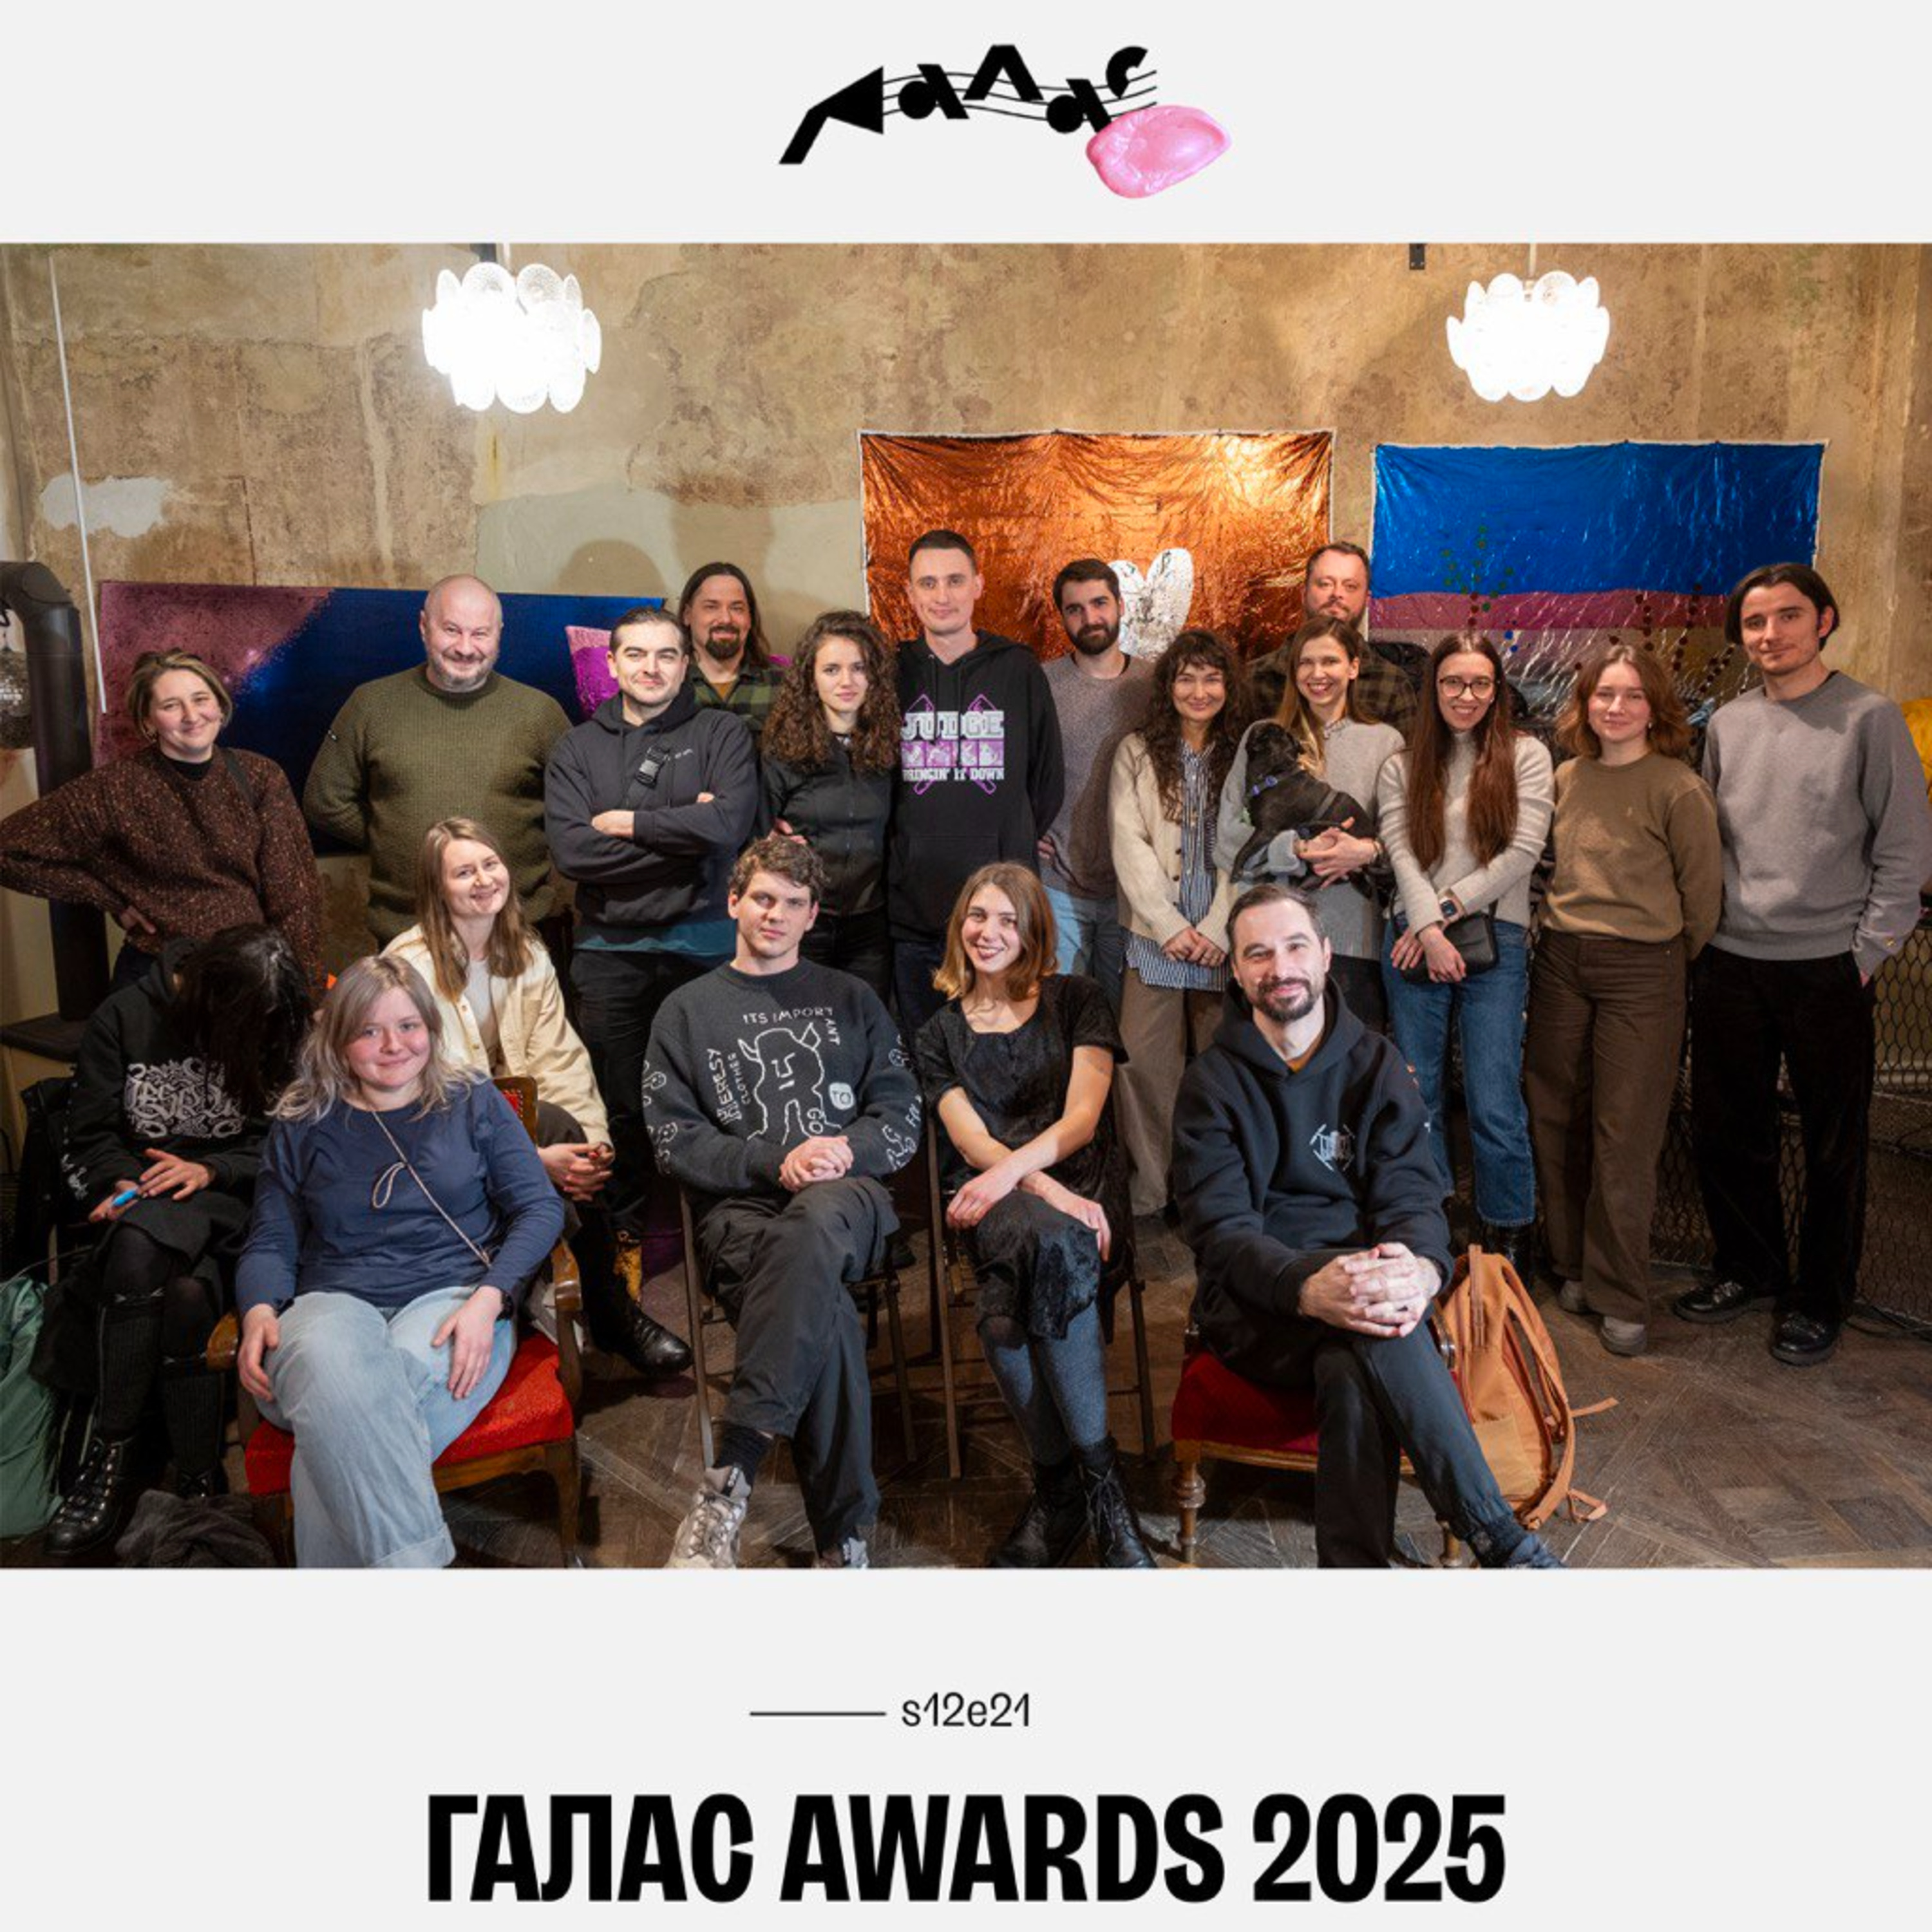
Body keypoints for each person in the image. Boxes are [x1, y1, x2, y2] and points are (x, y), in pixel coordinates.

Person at [1171, 884, 1561, 1569]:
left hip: (1371, 1289)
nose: (1280, 967)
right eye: (1258, 954)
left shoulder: (1376, 1063)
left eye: (1295, 947)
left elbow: (1414, 1194)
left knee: (1354, 1356)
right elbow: (1222, 1232)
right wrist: (1305, 1287)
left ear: (1326, 955)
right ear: (1235, 970)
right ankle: (1503, 1543)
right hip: (1261, 1307)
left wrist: (1422, 1270)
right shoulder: (1210, 1083)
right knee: (1372, 1331)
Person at [1674, 564, 1932, 1366]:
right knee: (1728, 1131)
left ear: (1825, 620)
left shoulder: (1870, 718)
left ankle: (1822, 1298)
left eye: (1788, 616)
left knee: (1833, 1145)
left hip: (1828, 967)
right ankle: (1748, 1268)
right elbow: (1711, 840)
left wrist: (1866, 954)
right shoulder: (1729, 725)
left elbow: (1905, 848)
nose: (1770, 634)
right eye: (1755, 622)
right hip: (1731, 960)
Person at [642, 836, 922, 1569]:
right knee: (824, 1310)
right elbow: (675, 1143)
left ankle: (729, 1477)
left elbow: (901, 1115)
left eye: (793, 903)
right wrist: (777, 1161)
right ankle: (844, 1543)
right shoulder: (686, 1012)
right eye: (763, 898)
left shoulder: (852, 999)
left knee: (819, 1221)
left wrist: (841, 1152)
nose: (776, 914)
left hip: (846, 1197)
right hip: (740, 1211)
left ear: (813, 915)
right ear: (734, 901)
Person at [234, 956, 565, 1568]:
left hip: (453, 1298)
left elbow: (540, 1208)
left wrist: (489, 1299)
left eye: (409, 1026)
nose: (393, 1046)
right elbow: (271, 1237)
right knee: (329, 1366)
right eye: (369, 1031)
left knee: (334, 1417)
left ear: (431, 1029)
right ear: (338, 1040)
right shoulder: (304, 1120)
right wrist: (257, 1308)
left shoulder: (473, 1101)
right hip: (331, 1299)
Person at [35, 926, 313, 1558]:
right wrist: (121, 1181)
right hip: (148, 1196)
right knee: (182, 1290)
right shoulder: (125, 1016)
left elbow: (287, 1138)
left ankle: (110, 1457)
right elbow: (90, 1136)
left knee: (141, 1245)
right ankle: (196, 1476)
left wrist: (212, 1169)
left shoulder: (272, 1015)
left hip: (236, 1197)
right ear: (210, 997)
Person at [384, 817, 690, 1377]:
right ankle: (605, 1310)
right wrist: (533, 1161)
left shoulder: (525, 951)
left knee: (566, 1128)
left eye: (491, 864)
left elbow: (558, 1057)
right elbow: (428, 1104)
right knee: (548, 1133)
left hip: (515, 1124)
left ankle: (583, 1307)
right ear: (436, 888)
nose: (484, 880)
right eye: (464, 873)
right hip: (434, 1147)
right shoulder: (408, 970)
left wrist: (590, 1149)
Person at [915, 864, 1153, 1568]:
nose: (989, 932)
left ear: (1033, 931)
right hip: (999, 1197)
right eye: (977, 916)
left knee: (1008, 1303)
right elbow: (973, 1143)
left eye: (1007, 920)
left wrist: (1047, 1188)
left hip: (1084, 1185)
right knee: (1037, 1243)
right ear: (959, 926)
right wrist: (1042, 1191)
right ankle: (1099, 1490)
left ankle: (1062, 1490)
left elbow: (1082, 1121)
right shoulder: (937, 1034)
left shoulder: (1078, 999)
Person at [1524, 646, 1721, 1357]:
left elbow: (1703, 900)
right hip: (1561, 960)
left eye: (1633, 695)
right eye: (1605, 694)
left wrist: (1661, 958)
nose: (1617, 707)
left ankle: (1620, 1293)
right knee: (1555, 1113)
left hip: (1645, 968)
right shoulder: (1566, 778)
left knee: (1625, 1131)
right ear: (1584, 705)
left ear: (1655, 707)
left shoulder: (1678, 788)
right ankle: (1572, 1265)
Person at [544, 605, 759, 1249]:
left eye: (666, 654)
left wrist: (630, 824)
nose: (651, 667)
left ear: (686, 664)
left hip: (708, 946)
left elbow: (729, 828)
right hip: (611, 950)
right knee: (621, 1098)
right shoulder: (577, 748)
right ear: (612, 664)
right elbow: (574, 853)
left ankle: (729, 1222)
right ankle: (628, 1229)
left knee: (720, 1091)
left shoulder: (721, 732)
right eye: (636, 654)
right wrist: (688, 839)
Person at [1376, 634, 1553, 1276]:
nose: (1466, 696)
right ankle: (1431, 1223)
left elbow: (1522, 854)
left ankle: (1508, 1235)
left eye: (1480, 683)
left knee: (1494, 1098)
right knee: (1416, 1093)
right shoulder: (1402, 764)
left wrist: (1438, 917)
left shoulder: (1526, 756)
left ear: (1497, 690)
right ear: (1434, 688)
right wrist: (1426, 931)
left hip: (1494, 940)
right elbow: (1400, 851)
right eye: (1453, 682)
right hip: (1412, 939)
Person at [1, 648, 324, 990]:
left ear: (219, 705)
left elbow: (294, 898)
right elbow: (7, 851)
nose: (192, 716)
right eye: (171, 706)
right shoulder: (115, 787)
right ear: (148, 721)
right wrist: (109, 897)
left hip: (248, 971)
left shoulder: (260, 776)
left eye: (201, 699)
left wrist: (308, 991)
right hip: (156, 977)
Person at [302, 573, 571, 946]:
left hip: (515, 933)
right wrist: (391, 837)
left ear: (499, 633)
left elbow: (578, 806)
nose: (465, 647)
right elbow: (325, 801)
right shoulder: (372, 704)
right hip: (408, 935)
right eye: (451, 630)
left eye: (480, 633)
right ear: (424, 627)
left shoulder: (539, 712)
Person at [891, 529, 1065, 1035]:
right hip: (915, 908)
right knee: (927, 1049)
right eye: (928, 583)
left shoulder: (1017, 668)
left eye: (954, 580)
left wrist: (1011, 834)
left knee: (1005, 1045)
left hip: (1003, 912)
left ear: (978, 585)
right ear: (910, 593)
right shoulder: (891, 670)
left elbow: (1047, 776)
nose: (941, 595)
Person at [1110, 628, 1247, 1217]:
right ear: (1167, 686)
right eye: (1186, 678)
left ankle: (1215, 1193)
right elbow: (1128, 841)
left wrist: (1218, 928)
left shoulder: (1245, 752)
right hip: (1155, 937)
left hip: (1225, 941)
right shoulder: (1137, 751)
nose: (1199, 691)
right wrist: (1168, 925)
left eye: (1212, 678)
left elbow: (1249, 847)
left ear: (1229, 686)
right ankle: (1151, 1192)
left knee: (1223, 1071)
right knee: (1142, 1066)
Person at [1215, 616, 1403, 1032]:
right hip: (1269, 941)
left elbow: (1405, 845)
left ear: (1354, 667)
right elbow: (1227, 839)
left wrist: (1366, 851)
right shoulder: (1263, 738)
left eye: (1330, 661)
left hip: (1353, 939)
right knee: (1267, 1065)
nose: (1318, 674)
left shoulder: (1385, 743)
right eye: (1306, 662)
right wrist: (1295, 850)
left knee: (1350, 1064)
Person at [761, 610, 900, 999]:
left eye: (859, 668)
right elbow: (752, 834)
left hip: (870, 926)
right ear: (811, 677)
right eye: (832, 670)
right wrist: (771, 845)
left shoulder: (890, 748)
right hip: (802, 921)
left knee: (862, 1024)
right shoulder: (783, 751)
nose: (846, 681)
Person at [1037, 558, 1153, 1009]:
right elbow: (1014, 765)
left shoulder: (1154, 684)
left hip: (1134, 889)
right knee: (1062, 1011)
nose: (1090, 618)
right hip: (1058, 885)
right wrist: (1027, 827)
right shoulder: (1042, 683)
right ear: (1062, 617)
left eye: (1100, 603)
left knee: (1124, 1018)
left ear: (1121, 605)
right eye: (1075, 609)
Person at [1247, 543, 1419, 735]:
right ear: (1304, 594)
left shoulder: (1392, 684)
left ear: (1367, 600)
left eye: (1350, 586)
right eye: (1325, 584)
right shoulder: (1254, 679)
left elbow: (1408, 754)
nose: (1337, 594)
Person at [680, 562, 782, 743]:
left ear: (750, 618)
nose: (726, 619)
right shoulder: (667, 682)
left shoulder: (783, 685)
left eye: (737, 608)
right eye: (711, 607)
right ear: (687, 615)